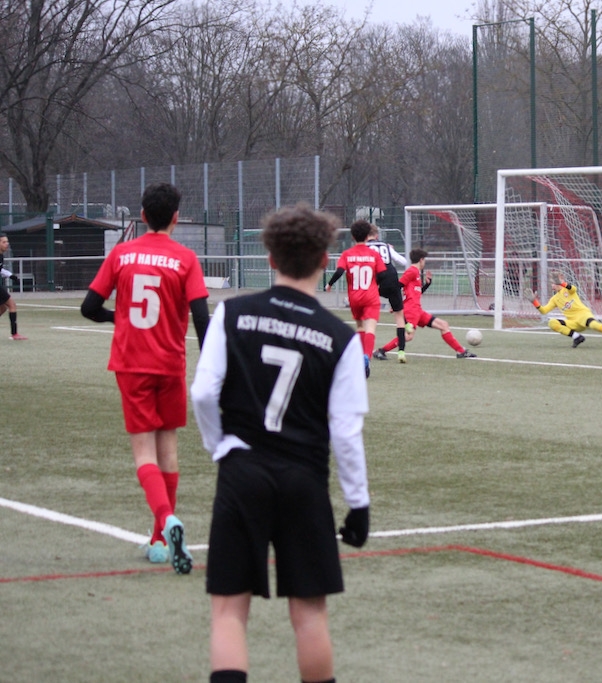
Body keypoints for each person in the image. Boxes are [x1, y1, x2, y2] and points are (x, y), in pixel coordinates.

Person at [190, 203, 370, 683]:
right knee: (309, 616)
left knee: (229, 613)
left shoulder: (231, 313)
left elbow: (203, 392)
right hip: (303, 480)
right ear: (325, 260)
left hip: (242, 472)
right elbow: (346, 429)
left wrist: (221, 447)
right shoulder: (341, 338)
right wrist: (358, 504)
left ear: (270, 258)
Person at [80, 182, 210, 574]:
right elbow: (202, 319)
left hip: (132, 365)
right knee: (168, 449)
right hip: (170, 365)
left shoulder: (121, 254)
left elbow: (89, 307)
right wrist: (210, 365)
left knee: (144, 454)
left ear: (141, 216)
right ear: (176, 218)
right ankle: (158, 540)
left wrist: (117, 317)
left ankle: (166, 522)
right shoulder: (186, 258)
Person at [375, 248, 477, 359]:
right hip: (411, 309)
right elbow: (397, 286)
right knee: (408, 336)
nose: (425, 262)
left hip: (417, 310)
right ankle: (381, 351)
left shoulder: (416, 273)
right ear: (421, 260)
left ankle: (461, 351)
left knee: (443, 325)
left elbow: (416, 293)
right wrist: (396, 304)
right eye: (424, 260)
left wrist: (427, 285)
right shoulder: (412, 271)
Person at [324, 219, 386, 377]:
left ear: (352, 236)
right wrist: (376, 284)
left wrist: (329, 284)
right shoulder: (374, 254)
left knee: (360, 327)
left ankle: (360, 358)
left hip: (355, 298)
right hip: (371, 296)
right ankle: (366, 358)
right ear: (367, 236)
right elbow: (383, 274)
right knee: (370, 328)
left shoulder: (347, 254)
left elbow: (339, 271)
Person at [525, 275, 602, 349]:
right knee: (552, 323)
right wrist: (534, 301)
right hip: (573, 322)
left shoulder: (567, 290)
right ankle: (577, 337)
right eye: (552, 282)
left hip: (583, 315)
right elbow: (544, 311)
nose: (553, 284)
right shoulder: (554, 299)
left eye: (554, 282)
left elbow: (573, 289)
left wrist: (563, 284)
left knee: (594, 325)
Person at [365, 224, 408, 363]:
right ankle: (401, 352)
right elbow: (403, 261)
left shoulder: (364, 247)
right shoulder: (386, 246)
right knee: (399, 317)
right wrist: (391, 250)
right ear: (377, 235)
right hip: (392, 277)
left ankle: (365, 346)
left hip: (376, 279)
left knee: (368, 310)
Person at [0, 232, 27, 340]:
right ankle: (14, 334)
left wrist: (11, 276)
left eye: (7, 242)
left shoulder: (1, 256)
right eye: (4, 242)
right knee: (12, 305)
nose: (6, 244)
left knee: (2, 308)